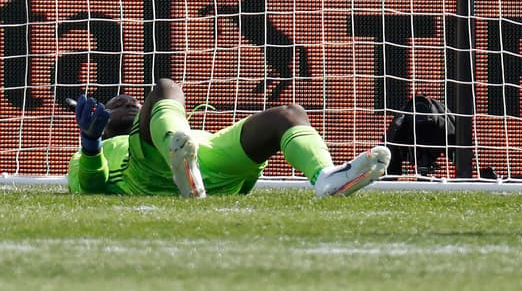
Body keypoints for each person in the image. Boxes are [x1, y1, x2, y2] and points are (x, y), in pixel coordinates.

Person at [67, 80, 390, 198]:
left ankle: (325, 177)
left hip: (208, 167)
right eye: (116, 104)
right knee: (166, 87)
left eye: (133, 103)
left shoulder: (189, 132)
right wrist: (92, 142)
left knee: (289, 114)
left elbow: (246, 184)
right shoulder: (102, 146)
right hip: (150, 173)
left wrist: (247, 168)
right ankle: (178, 162)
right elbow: (89, 188)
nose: (127, 103)